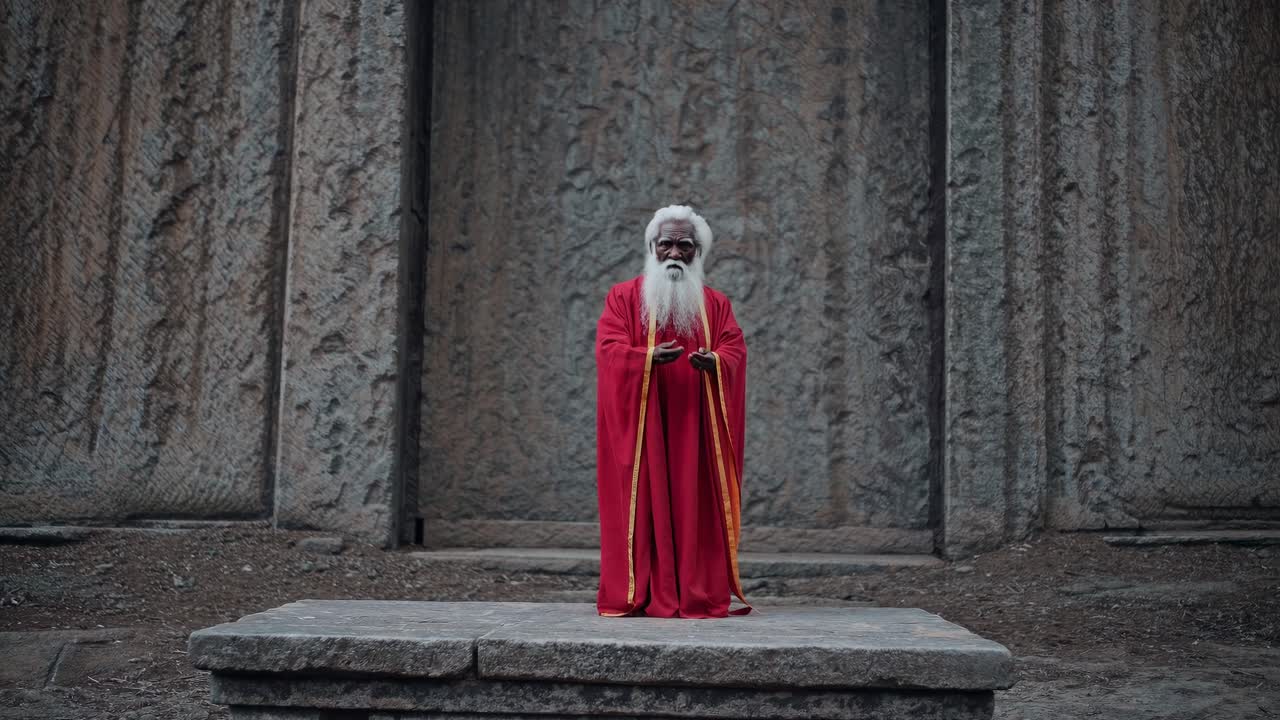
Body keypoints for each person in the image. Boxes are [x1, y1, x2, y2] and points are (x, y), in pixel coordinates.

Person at [595, 205, 750, 618]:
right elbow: (609, 350)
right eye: (667, 244)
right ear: (652, 247)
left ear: (698, 252)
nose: (675, 253)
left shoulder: (715, 305)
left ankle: (692, 590)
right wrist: (644, 359)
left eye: (685, 245)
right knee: (643, 509)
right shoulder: (624, 298)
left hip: (696, 434)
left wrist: (715, 362)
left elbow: (734, 349)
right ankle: (643, 591)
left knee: (693, 509)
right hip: (645, 430)